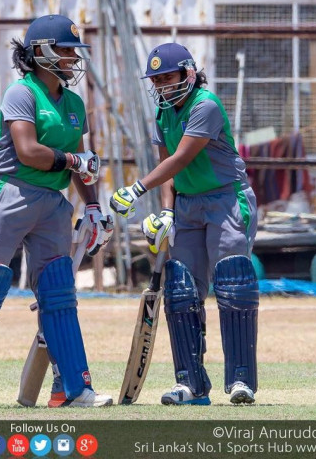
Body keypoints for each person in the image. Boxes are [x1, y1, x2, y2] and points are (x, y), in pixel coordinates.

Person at [0, 14, 114, 408]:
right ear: (41, 52)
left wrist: (93, 205)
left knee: (59, 292)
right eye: (65, 51)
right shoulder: (21, 92)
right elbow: (29, 151)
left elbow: (80, 161)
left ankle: (74, 389)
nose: (72, 59)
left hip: (52, 204)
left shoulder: (74, 102)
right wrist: (75, 162)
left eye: (74, 52)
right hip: (11, 194)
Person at [110, 43, 259, 405]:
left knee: (233, 283)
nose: (162, 85)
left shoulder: (205, 104)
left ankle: (241, 381)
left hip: (226, 198)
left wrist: (136, 187)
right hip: (188, 205)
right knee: (180, 291)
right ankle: (191, 385)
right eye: (156, 79)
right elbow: (170, 175)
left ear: (188, 74)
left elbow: (181, 158)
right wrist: (166, 212)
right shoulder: (162, 114)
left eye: (168, 77)